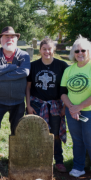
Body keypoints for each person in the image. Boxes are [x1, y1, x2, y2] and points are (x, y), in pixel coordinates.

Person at [60, 35, 91, 180]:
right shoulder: (69, 70)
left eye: (83, 50)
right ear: (73, 53)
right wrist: (72, 108)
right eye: (76, 51)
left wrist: (79, 107)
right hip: (73, 111)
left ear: (89, 52)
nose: (80, 53)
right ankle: (78, 167)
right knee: (78, 141)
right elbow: (62, 92)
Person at [0, 26, 31, 165]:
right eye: (6, 37)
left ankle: (16, 158)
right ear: (0, 40)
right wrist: (12, 67)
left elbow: (24, 72)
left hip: (17, 101)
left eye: (12, 37)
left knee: (17, 130)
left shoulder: (23, 55)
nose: (10, 39)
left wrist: (1, 76)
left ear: (16, 39)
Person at [26, 38, 68, 173]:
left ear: (53, 50)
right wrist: (28, 105)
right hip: (37, 105)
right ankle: (38, 159)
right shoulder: (33, 66)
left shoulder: (62, 66)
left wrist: (65, 107)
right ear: (40, 50)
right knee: (37, 132)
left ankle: (59, 161)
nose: (47, 52)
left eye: (49, 49)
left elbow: (67, 89)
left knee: (55, 134)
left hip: (55, 105)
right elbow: (27, 87)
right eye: (44, 49)